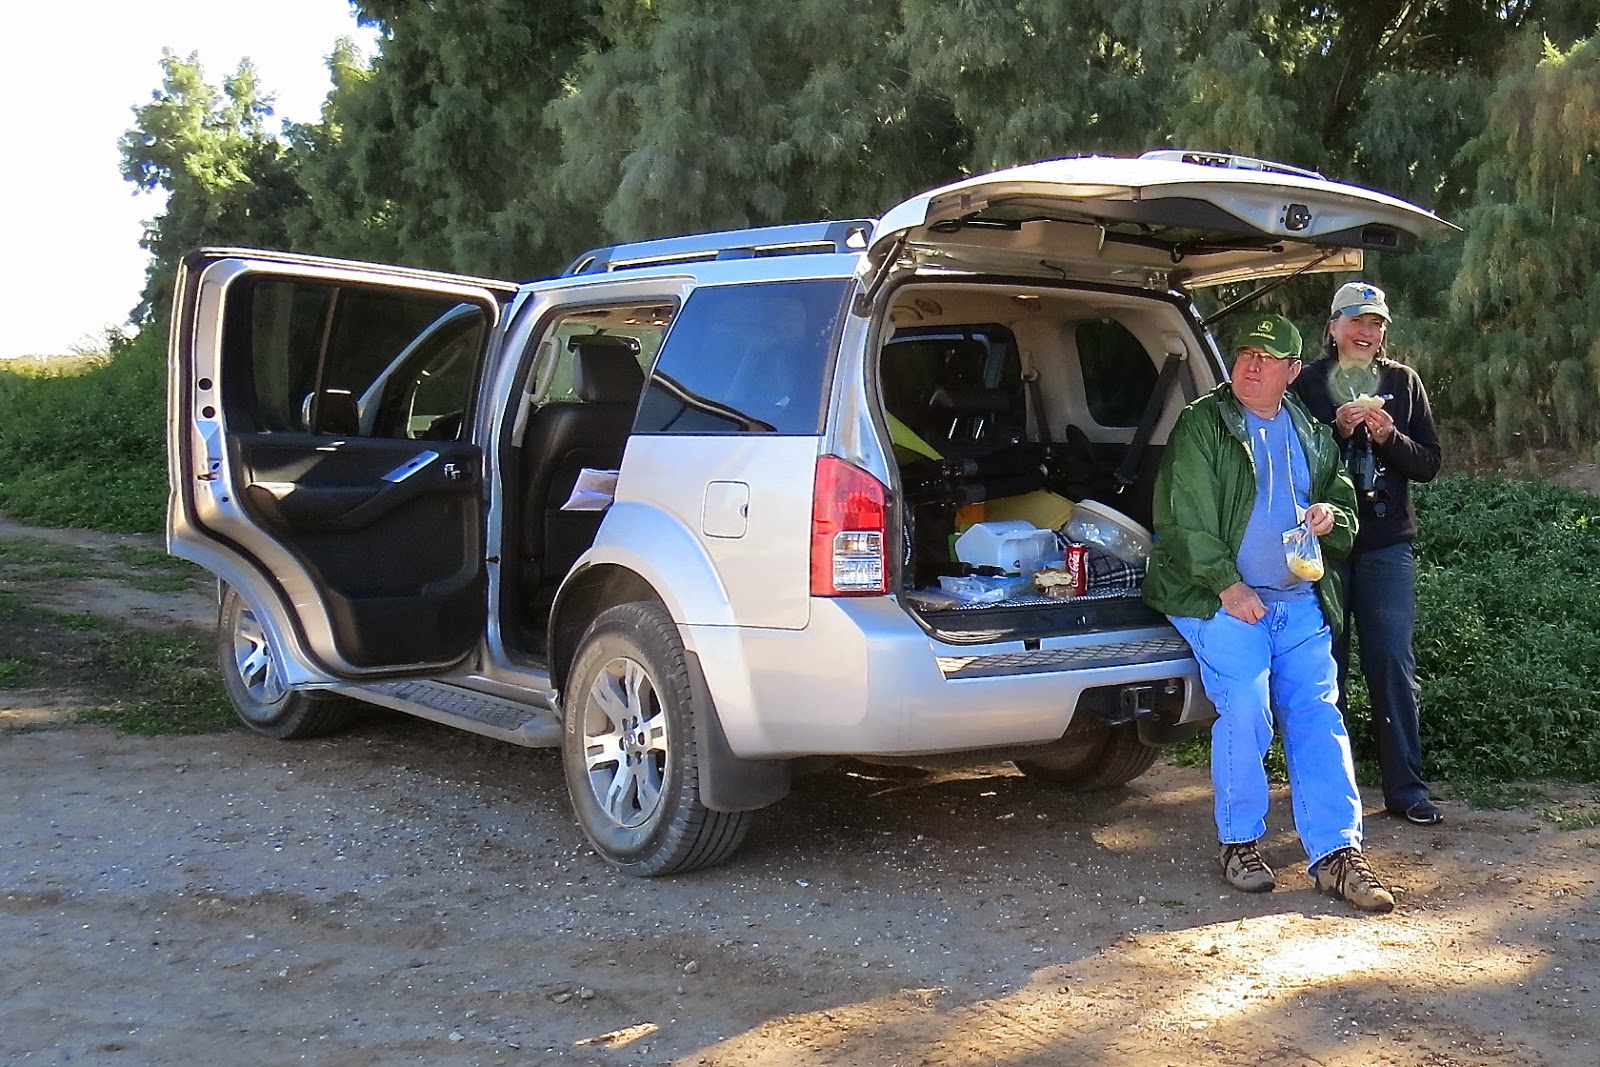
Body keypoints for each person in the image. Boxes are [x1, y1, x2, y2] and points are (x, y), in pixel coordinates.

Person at [1144, 313, 1395, 913]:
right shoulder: (1203, 424)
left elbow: (1340, 498)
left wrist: (1332, 517)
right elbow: (1183, 521)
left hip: (1295, 598)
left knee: (1318, 712)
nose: (1251, 367)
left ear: (1292, 371)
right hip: (1217, 597)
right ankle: (1239, 842)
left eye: (1266, 358)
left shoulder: (1308, 430)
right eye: (1245, 355)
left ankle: (1337, 853)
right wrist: (1228, 587)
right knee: (1247, 704)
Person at [1291, 282, 1443, 826]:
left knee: (1392, 663)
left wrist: (1389, 438)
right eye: (1355, 320)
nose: (1366, 331)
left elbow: (1428, 464)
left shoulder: (1403, 382)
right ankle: (1326, 791)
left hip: (1386, 545)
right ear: (1333, 326)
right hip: (1324, 547)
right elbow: (1290, 463)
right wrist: (1334, 431)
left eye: (1376, 323)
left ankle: (1406, 789)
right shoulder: (1306, 383)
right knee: (1324, 665)